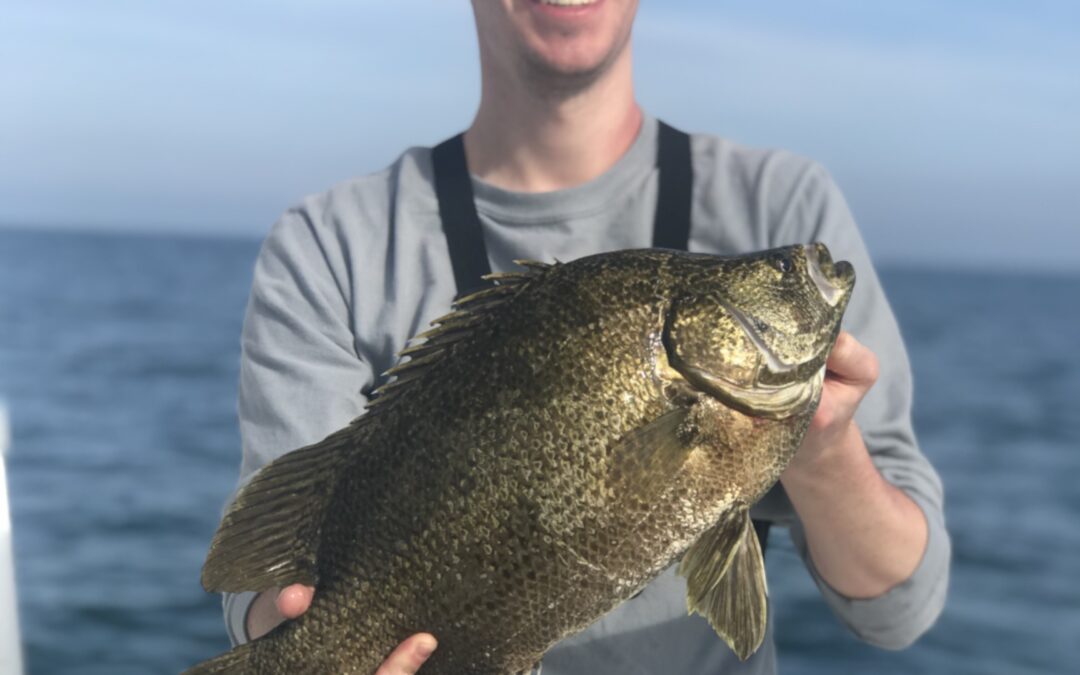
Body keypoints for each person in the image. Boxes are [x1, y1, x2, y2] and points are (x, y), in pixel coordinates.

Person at [219, 1, 950, 673]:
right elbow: (269, 580)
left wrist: (821, 447)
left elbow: (897, 608)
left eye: (782, 278)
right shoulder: (326, 246)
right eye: (781, 280)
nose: (797, 275)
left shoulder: (782, 201)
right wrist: (299, 634)